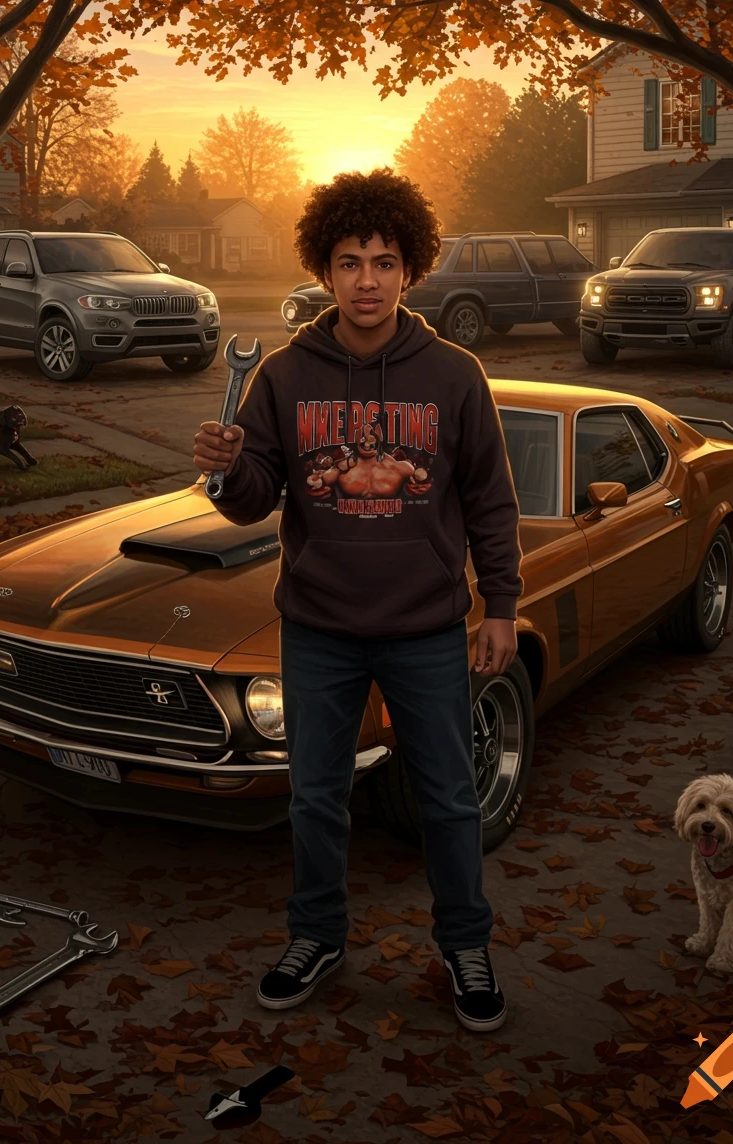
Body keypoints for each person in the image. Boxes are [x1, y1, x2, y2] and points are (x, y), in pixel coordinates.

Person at [193, 168, 523, 1032]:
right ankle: (318, 936)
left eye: (383, 260)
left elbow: (490, 499)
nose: (366, 279)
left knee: (449, 797)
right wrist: (228, 467)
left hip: (424, 629)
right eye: (348, 262)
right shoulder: (282, 375)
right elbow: (256, 496)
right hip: (319, 630)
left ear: (409, 266)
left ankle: (464, 945)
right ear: (324, 270)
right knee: (315, 796)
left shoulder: (454, 375)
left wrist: (499, 604)